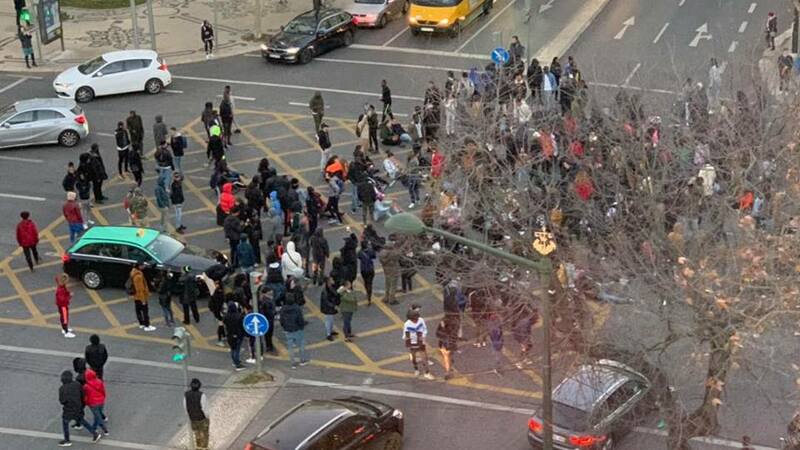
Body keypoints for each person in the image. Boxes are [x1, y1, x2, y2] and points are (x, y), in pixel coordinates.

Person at [59, 370, 101, 446]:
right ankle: (94, 433)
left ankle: (67, 440)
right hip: (78, 407)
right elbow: (83, 394)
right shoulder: (77, 384)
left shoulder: (62, 388)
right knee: (82, 420)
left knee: (65, 423)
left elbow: (62, 401)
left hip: (68, 410)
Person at [280, 294, 309, 368]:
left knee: (290, 347)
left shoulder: (283, 309)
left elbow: (282, 320)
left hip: (287, 329)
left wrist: (284, 327)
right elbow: (300, 319)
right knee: (301, 344)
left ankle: (293, 363)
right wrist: (302, 326)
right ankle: (302, 360)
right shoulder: (297, 308)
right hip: (297, 329)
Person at [403, 309, 434, 379]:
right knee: (413, 358)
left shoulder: (421, 320)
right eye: (414, 319)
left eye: (416, 319)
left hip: (420, 342)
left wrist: (423, 336)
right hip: (412, 343)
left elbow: (425, 329)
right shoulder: (407, 324)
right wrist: (405, 338)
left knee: (424, 358)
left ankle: (427, 373)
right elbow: (405, 334)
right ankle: (416, 369)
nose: (416, 320)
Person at [184, 378, 210, 450]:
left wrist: (189, 416)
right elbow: (204, 408)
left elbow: (185, 407)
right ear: (199, 386)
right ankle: (204, 448)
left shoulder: (186, 395)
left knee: (197, 434)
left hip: (193, 419)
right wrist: (207, 417)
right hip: (202, 418)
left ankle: (198, 447)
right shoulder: (202, 395)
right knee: (205, 434)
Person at [129, 263, 155, 331]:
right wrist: (143, 300)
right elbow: (140, 289)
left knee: (138, 310)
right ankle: (147, 326)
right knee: (145, 311)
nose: (144, 266)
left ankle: (141, 324)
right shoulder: (138, 276)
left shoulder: (133, 272)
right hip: (141, 297)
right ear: (139, 266)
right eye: (143, 265)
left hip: (136, 297)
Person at [82, 369, 109, 437]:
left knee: (98, 416)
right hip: (101, 401)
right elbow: (103, 391)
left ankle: (104, 429)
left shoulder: (86, 386)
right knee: (98, 414)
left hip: (93, 403)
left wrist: (86, 402)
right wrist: (103, 397)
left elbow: (86, 396)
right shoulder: (99, 382)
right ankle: (94, 427)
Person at [224, 301, 246, 370]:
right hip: (238, 335)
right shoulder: (239, 316)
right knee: (237, 350)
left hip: (229, 335)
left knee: (232, 349)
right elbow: (242, 326)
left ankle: (235, 361)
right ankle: (238, 364)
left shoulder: (226, 316)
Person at [55, 274, 75, 339]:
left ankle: (64, 329)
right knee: (65, 318)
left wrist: (68, 293)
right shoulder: (60, 290)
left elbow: (66, 292)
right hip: (63, 306)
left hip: (61, 305)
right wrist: (70, 296)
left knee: (63, 317)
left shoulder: (62, 287)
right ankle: (66, 332)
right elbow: (63, 299)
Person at [380, 240, 401, 304]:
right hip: (393, 270)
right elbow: (398, 256)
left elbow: (382, 261)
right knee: (393, 286)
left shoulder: (382, 252)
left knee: (387, 284)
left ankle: (386, 298)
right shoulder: (393, 253)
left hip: (386, 270)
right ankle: (392, 299)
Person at [320, 276, 340, 341]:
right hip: (327, 308)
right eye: (331, 280)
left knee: (331, 320)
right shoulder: (325, 291)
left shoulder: (330, 287)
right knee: (328, 321)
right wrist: (333, 305)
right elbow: (326, 301)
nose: (333, 280)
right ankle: (328, 334)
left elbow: (335, 294)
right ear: (328, 281)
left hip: (329, 307)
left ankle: (331, 331)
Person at [487, 311, 504, 375]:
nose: (494, 315)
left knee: (498, 355)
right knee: (496, 356)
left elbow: (501, 322)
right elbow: (493, 333)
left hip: (498, 341)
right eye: (493, 314)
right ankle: (497, 368)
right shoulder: (491, 324)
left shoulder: (496, 322)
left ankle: (497, 367)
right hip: (495, 342)